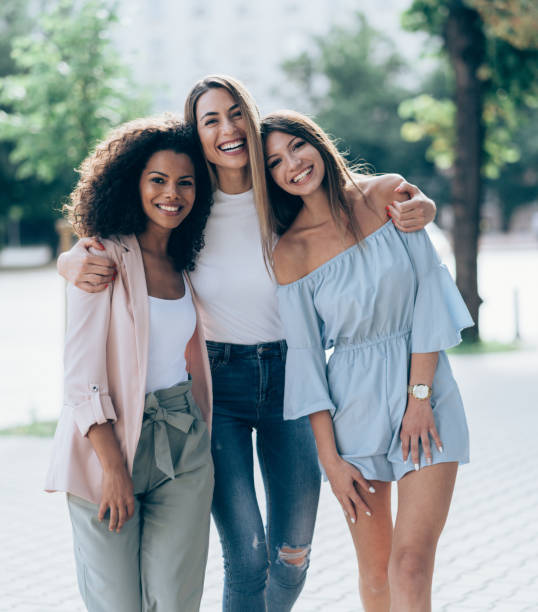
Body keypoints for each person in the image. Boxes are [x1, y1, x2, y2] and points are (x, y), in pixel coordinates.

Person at [57, 75, 438, 612]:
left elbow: (358, 199)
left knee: (293, 551)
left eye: (236, 113)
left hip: (296, 379)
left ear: (252, 119)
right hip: (218, 385)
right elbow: (127, 244)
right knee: (248, 556)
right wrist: (70, 260)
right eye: (209, 120)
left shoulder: (284, 193)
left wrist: (421, 204)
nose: (227, 128)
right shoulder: (189, 203)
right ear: (197, 134)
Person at [261, 110, 472, 612]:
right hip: (351, 408)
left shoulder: (387, 195)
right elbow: (307, 361)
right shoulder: (288, 252)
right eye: (274, 162)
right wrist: (330, 461)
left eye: (296, 147)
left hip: (425, 390)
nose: (292, 164)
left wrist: (419, 399)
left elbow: (428, 291)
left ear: (317, 142)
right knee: (377, 575)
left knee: (411, 566)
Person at [45, 116, 215, 612]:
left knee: (174, 600)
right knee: (116, 603)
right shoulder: (100, 257)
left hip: (183, 445)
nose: (172, 194)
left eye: (185, 183)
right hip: (107, 446)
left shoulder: (188, 260)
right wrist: (114, 468)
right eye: (157, 180)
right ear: (132, 184)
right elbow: (80, 380)